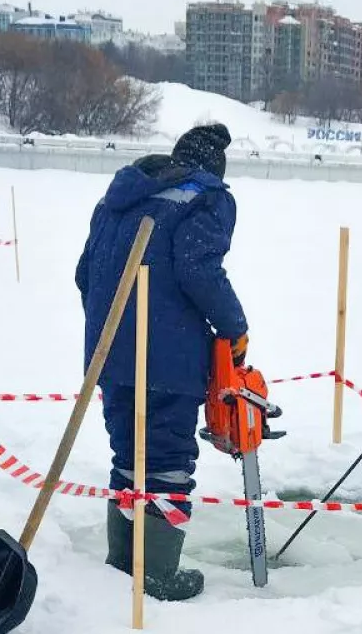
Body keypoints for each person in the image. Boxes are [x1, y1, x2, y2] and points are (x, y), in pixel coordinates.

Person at [75, 122, 248, 601]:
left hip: (108, 354)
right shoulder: (204, 197)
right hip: (167, 358)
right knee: (167, 461)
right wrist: (234, 328)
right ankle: (155, 575)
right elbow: (199, 270)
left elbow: (85, 273)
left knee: (128, 455)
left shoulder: (119, 198)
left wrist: (117, 331)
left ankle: (123, 563)